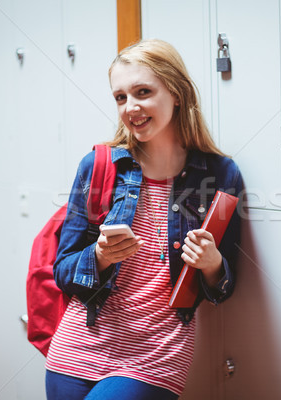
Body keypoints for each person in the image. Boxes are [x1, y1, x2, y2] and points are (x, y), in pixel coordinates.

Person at [45, 39, 244, 400]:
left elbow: (224, 287)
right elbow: (62, 271)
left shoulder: (219, 174)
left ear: (177, 93)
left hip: (157, 355)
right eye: (120, 97)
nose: (130, 108)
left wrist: (213, 263)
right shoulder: (99, 166)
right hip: (77, 348)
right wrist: (101, 256)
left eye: (142, 92)